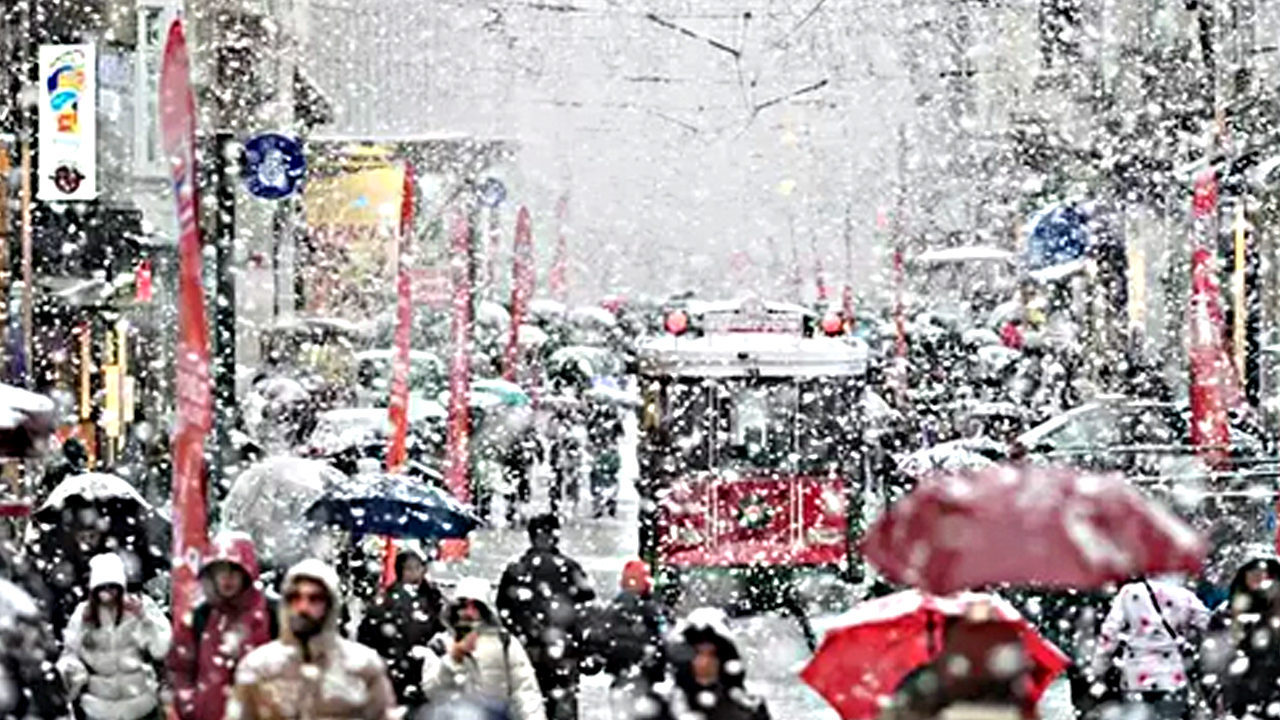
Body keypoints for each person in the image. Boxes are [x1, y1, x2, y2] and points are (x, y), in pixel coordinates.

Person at [227, 558, 395, 720]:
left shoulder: (362, 667)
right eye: (295, 598)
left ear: (329, 604)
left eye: (314, 599)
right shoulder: (259, 667)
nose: (303, 607)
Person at [168, 532, 277, 720]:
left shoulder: (271, 614)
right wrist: (190, 704)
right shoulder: (201, 616)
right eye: (221, 571)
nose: (227, 578)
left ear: (246, 573)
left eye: (234, 570)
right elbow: (181, 667)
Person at [497, 514, 596, 720]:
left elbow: (504, 610)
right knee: (562, 708)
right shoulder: (570, 569)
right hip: (563, 652)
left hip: (529, 651)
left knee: (530, 707)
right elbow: (585, 613)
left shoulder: (517, 570)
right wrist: (586, 649)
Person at [56, 553, 170, 720]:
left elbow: (162, 648)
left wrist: (144, 618)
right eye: (102, 587)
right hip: (99, 709)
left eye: (112, 586)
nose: (108, 592)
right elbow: (71, 653)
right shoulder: (83, 614)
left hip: (142, 705)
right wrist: (72, 673)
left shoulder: (141, 606)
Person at [421, 577, 545, 720]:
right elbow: (432, 691)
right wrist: (452, 660)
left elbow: (525, 690)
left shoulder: (504, 642)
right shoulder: (440, 644)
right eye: (464, 605)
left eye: (475, 606)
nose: (469, 612)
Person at [1088, 575, 1208, 720]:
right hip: (1171, 675)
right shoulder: (1184, 595)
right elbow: (1207, 623)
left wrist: (1098, 666)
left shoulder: (1129, 593)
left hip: (1136, 674)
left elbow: (1110, 632)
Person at [357, 545, 445, 713]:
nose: (414, 574)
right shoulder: (386, 601)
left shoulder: (432, 598)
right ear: (400, 571)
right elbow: (369, 635)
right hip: (395, 671)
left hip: (425, 672)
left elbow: (441, 629)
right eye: (409, 569)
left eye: (418, 568)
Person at [583, 560, 670, 715]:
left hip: (621, 677)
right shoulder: (653, 610)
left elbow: (600, 640)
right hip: (648, 676)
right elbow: (665, 638)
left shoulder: (613, 609)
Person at [651, 607, 770, 720]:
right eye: (697, 654)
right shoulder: (663, 705)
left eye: (711, 655)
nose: (704, 663)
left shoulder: (747, 707)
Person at [1202, 550, 1280, 718]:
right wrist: (1217, 695)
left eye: (1268, 577)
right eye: (1255, 575)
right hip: (1239, 699)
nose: (1262, 581)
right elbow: (1211, 661)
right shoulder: (1226, 615)